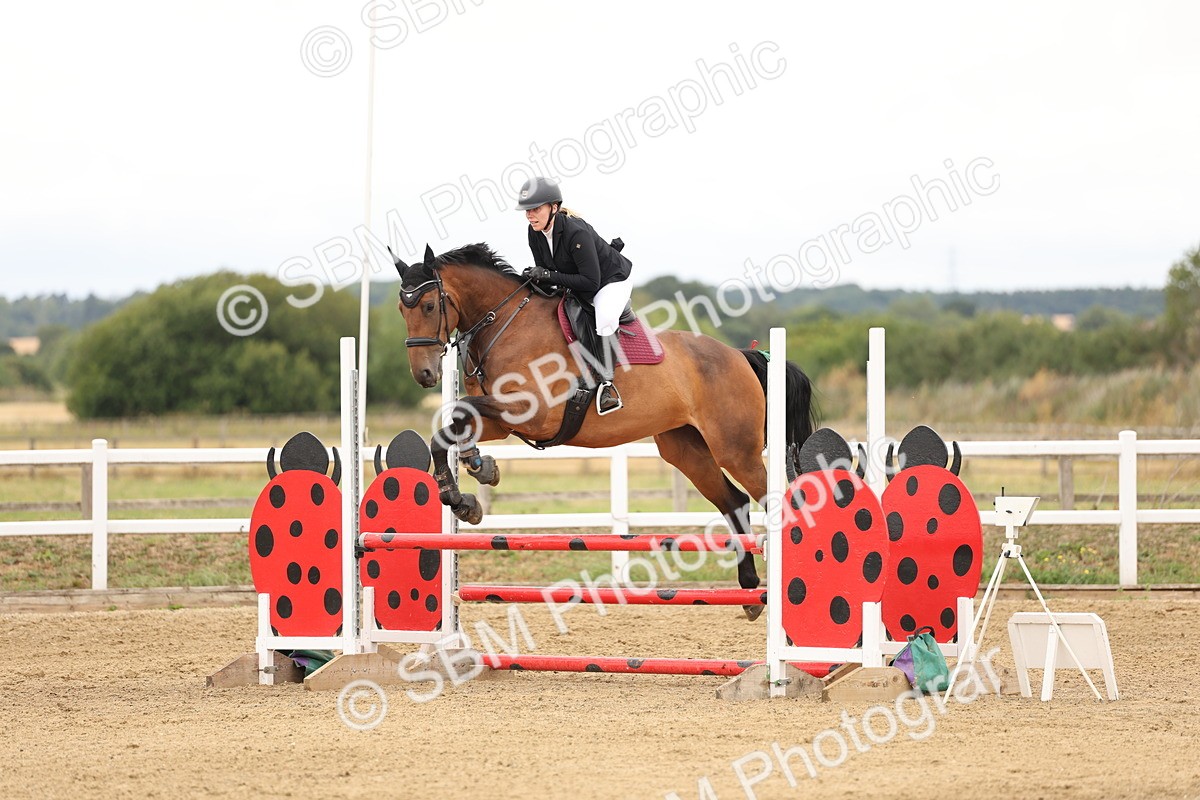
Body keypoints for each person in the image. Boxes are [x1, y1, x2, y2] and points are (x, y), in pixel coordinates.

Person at [516, 177, 633, 415]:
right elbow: (549, 276)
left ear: (554, 207)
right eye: (528, 210)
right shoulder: (534, 232)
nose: (530, 215)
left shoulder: (575, 231)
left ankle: (606, 384)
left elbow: (590, 283)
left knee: (604, 316)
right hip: (579, 281)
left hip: (610, 281)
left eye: (536, 209)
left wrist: (548, 274)